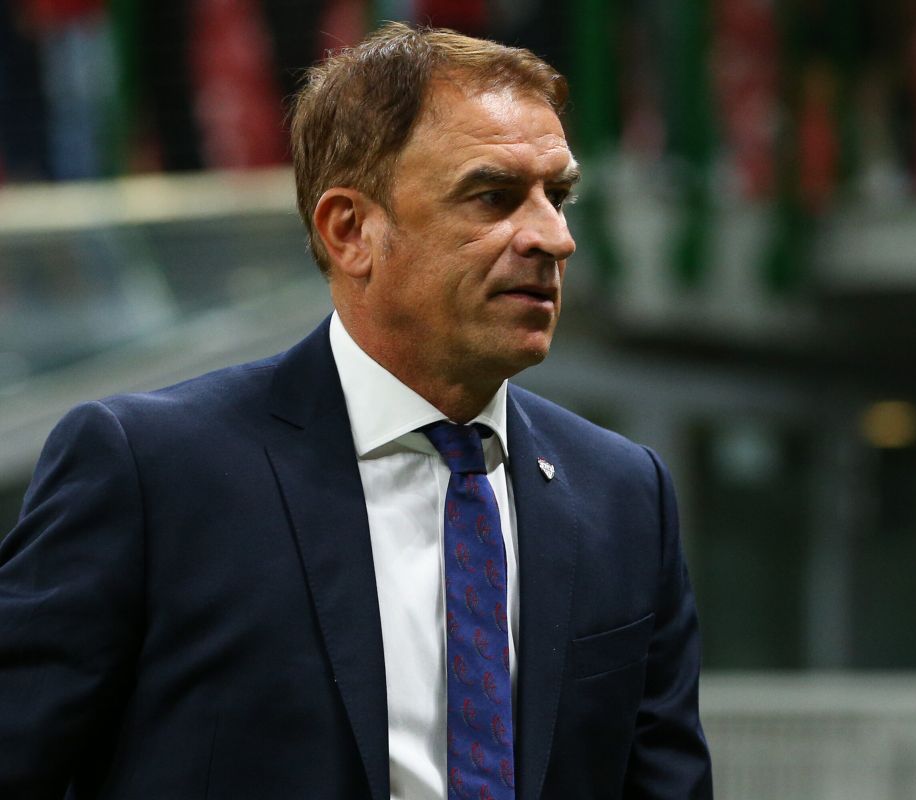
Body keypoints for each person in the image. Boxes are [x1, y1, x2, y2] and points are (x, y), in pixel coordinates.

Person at [0, 22, 713, 800]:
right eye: (494, 196)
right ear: (351, 231)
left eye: (559, 195)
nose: (554, 237)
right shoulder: (152, 471)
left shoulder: (623, 494)